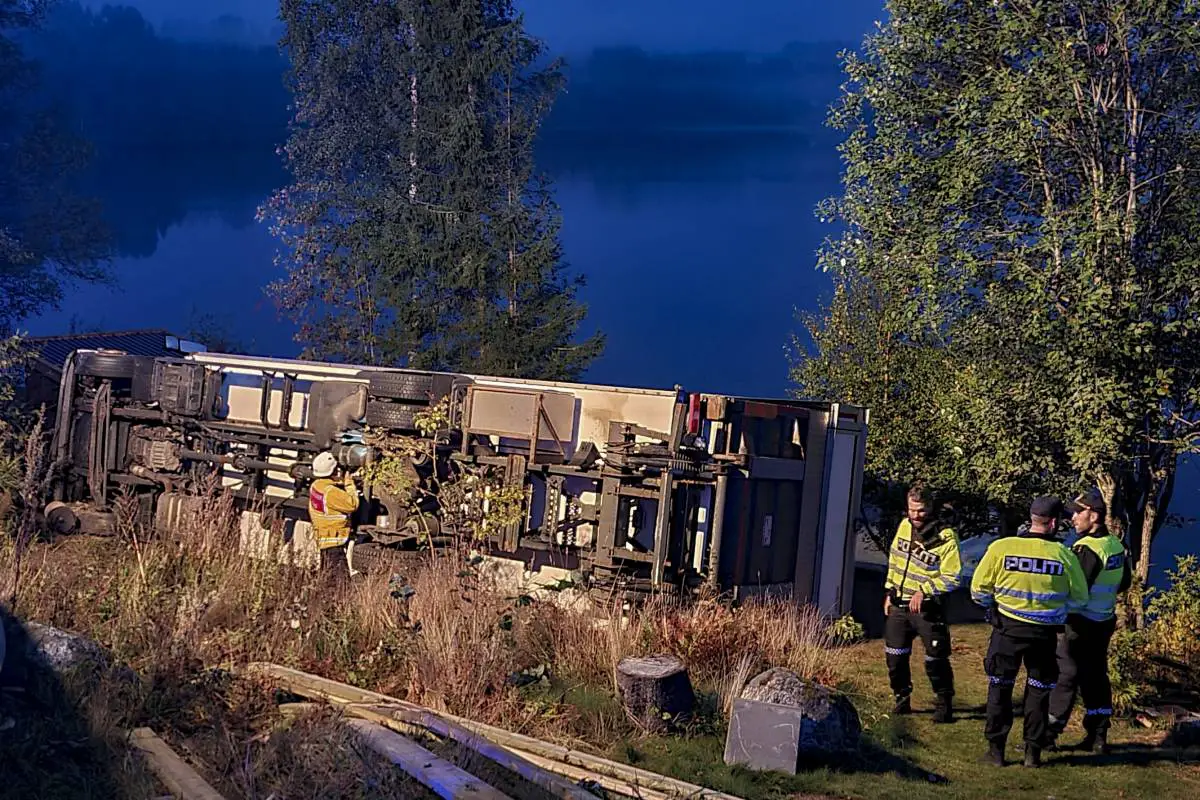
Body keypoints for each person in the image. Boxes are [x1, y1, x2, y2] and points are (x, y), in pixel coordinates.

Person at [970, 497, 1089, 768]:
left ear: (1031, 518)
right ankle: (1032, 753)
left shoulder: (1002, 548)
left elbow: (978, 591)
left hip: (1007, 631)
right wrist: (1054, 610)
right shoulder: (1064, 555)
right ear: (1055, 523)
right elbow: (1080, 599)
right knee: (1039, 691)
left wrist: (995, 606)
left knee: (1000, 689)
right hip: (1044, 636)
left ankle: (996, 752)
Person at [1045, 488, 1132, 754]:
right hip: (1103, 620)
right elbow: (1124, 582)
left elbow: (1076, 589)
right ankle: (1098, 734)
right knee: (1096, 675)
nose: (1072, 518)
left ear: (1093, 516)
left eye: (1077, 513)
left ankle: (1049, 732)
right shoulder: (1114, 544)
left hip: (1080, 622)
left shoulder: (1086, 548)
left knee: (1066, 675)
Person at [882, 485, 963, 723]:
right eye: (912, 510)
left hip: (928, 609)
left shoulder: (946, 537)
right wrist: (889, 590)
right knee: (895, 656)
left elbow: (953, 576)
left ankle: (943, 703)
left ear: (931, 508)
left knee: (935, 658)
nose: (916, 516)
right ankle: (901, 697)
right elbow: (895, 560)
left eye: (922, 511)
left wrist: (925, 590)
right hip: (899, 604)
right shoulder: (904, 526)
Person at [308, 451, 361, 577]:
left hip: (324, 538)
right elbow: (352, 504)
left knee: (327, 574)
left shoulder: (317, 486)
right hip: (334, 541)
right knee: (340, 583)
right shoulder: (331, 492)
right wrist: (349, 484)